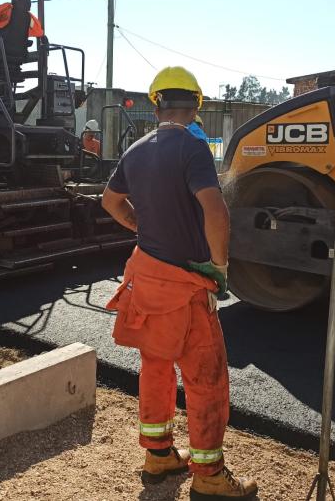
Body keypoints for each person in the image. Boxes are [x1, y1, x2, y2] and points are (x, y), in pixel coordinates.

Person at [102, 66, 258, 500]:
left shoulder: (135, 150)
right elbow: (215, 212)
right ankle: (208, 475)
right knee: (206, 378)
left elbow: (110, 200)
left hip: (146, 276)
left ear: (156, 104)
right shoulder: (193, 147)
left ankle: (158, 455)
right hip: (186, 285)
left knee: (155, 366)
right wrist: (220, 267)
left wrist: (140, 226)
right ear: (196, 105)